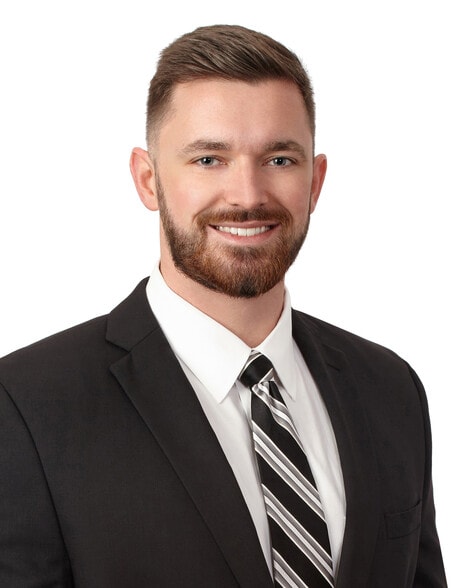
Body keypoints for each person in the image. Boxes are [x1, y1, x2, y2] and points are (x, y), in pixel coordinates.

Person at [0, 24, 446, 587]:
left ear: (315, 182)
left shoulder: (390, 388)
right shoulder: (26, 406)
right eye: (209, 159)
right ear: (148, 180)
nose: (247, 195)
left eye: (279, 159)